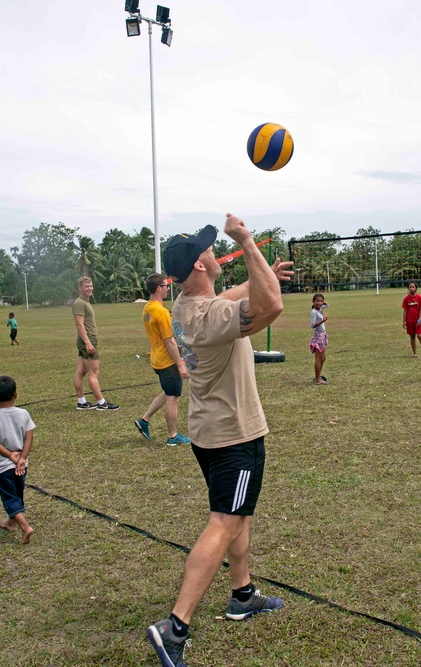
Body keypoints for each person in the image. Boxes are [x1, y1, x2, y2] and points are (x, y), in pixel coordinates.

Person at [147, 214, 293, 667]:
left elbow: (229, 297)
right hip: (234, 436)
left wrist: (260, 275)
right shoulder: (210, 317)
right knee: (225, 521)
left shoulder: (187, 308)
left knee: (239, 515)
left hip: (210, 433)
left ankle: (242, 595)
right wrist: (248, 243)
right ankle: (175, 626)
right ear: (198, 267)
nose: (214, 252)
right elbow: (272, 308)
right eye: (208, 250)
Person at [135, 273, 192, 446]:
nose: (168, 288)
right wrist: (180, 364)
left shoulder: (147, 308)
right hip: (167, 361)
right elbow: (169, 341)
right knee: (173, 396)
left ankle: (144, 420)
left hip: (156, 359)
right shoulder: (160, 312)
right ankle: (173, 436)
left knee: (168, 391)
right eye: (166, 286)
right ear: (159, 288)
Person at [0, 375, 36, 544]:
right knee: (17, 494)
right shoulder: (23, 413)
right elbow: (29, 437)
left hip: (2, 467)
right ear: (16, 394)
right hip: (21, 465)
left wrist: (9, 455)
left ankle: (25, 527)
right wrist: (22, 458)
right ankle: (11, 523)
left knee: (9, 498)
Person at [72, 277, 119, 410]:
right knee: (94, 372)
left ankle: (81, 402)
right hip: (87, 339)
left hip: (85, 339)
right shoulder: (80, 303)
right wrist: (88, 342)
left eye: (91, 286)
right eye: (86, 286)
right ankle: (101, 403)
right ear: (80, 288)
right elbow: (79, 324)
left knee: (80, 371)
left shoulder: (84, 302)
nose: (90, 288)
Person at [402, 282, 421, 358]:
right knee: (412, 336)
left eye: (413, 287)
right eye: (410, 287)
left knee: (420, 336)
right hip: (410, 320)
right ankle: (415, 353)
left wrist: (420, 319)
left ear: (416, 288)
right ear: (408, 288)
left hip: (418, 320)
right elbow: (405, 310)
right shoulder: (406, 299)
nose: (411, 288)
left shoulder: (420, 297)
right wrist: (404, 321)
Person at [310, 293, 329, 384]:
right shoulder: (314, 312)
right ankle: (317, 379)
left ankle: (318, 376)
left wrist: (321, 302)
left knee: (323, 358)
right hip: (318, 336)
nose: (320, 303)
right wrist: (323, 321)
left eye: (321, 301)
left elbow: (327, 304)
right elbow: (312, 325)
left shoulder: (320, 309)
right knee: (318, 359)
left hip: (323, 335)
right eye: (317, 301)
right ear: (313, 302)